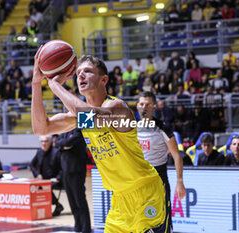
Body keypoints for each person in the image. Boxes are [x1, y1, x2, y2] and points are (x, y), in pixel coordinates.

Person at [31, 50, 183, 231]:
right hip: (119, 199)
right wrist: (36, 83)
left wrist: (54, 85)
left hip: (146, 192)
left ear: (104, 79)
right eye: (78, 73)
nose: (81, 75)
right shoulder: (78, 116)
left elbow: (89, 116)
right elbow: (41, 127)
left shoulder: (116, 107)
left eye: (87, 71)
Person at [136, 91, 186, 232]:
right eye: (141, 104)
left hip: (158, 180)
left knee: (161, 223)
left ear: (154, 107)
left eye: (147, 104)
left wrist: (180, 181)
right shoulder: (131, 127)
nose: (144, 107)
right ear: (137, 106)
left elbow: (176, 156)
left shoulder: (162, 129)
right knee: (141, 223)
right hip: (139, 181)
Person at [56, 129, 91, 232]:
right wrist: (64, 145)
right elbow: (57, 142)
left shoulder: (79, 130)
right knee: (72, 201)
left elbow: (67, 142)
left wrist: (63, 145)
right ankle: (78, 226)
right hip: (65, 170)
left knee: (79, 200)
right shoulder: (65, 131)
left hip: (76, 170)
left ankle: (86, 228)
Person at [30, 135, 64, 216]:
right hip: (45, 180)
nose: (44, 143)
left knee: (46, 187)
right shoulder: (39, 152)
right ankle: (57, 205)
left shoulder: (57, 152)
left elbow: (63, 167)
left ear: (51, 142)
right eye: (42, 141)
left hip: (57, 180)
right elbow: (32, 165)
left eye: (46, 141)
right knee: (36, 186)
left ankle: (57, 206)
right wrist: (37, 174)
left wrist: (58, 178)